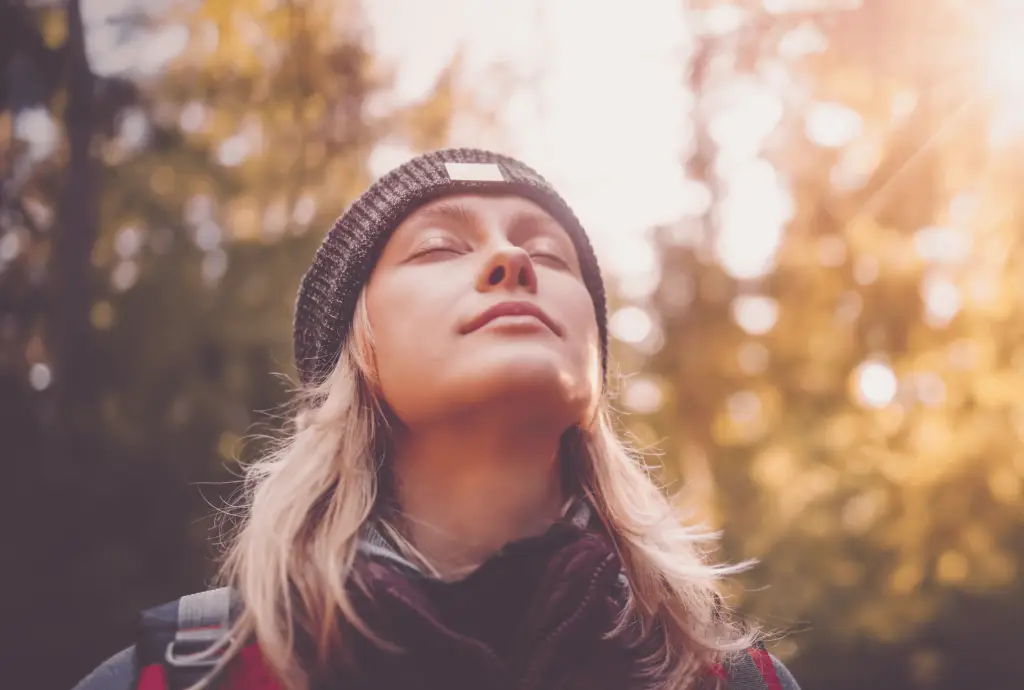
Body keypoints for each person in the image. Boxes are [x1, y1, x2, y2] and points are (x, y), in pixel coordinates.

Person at [73, 149, 800, 690]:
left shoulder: (733, 681)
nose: (514, 259)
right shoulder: (183, 675)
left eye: (550, 254)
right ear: (357, 351)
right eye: (440, 247)